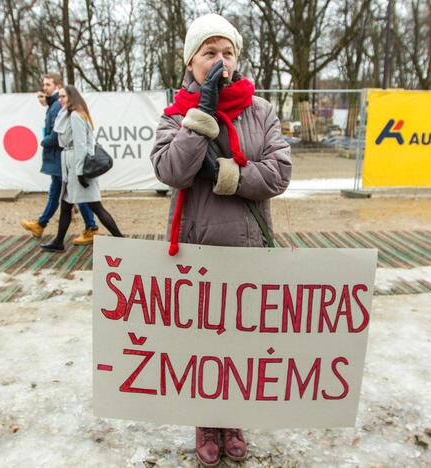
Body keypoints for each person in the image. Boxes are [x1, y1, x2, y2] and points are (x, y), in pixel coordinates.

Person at [150, 13, 292, 467]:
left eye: (227, 52)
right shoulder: (175, 115)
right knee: (202, 345)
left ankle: (233, 418)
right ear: (191, 62)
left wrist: (227, 175)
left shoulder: (262, 110)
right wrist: (202, 118)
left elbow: (279, 174)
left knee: (241, 344)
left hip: (248, 252)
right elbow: (172, 171)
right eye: (209, 52)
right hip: (196, 251)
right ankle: (205, 421)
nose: (220, 60)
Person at [41, 85, 123, 251]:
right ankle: (58, 241)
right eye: (59, 96)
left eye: (63, 96)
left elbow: (80, 145)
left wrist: (79, 173)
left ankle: (121, 240)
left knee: (96, 207)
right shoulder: (69, 115)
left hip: (78, 167)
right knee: (66, 205)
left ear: (71, 97)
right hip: (72, 167)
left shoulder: (75, 116)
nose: (60, 99)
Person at [21, 73, 100, 246]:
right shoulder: (56, 105)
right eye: (44, 84)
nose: (45, 88)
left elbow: (59, 135)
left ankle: (90, 228)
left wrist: (44, 141)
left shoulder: (60, 107)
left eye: (48, 84)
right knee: (63, 196)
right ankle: (46, 228)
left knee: (71, 197)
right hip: (61, 159)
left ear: (58, 87)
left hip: (61, 159)